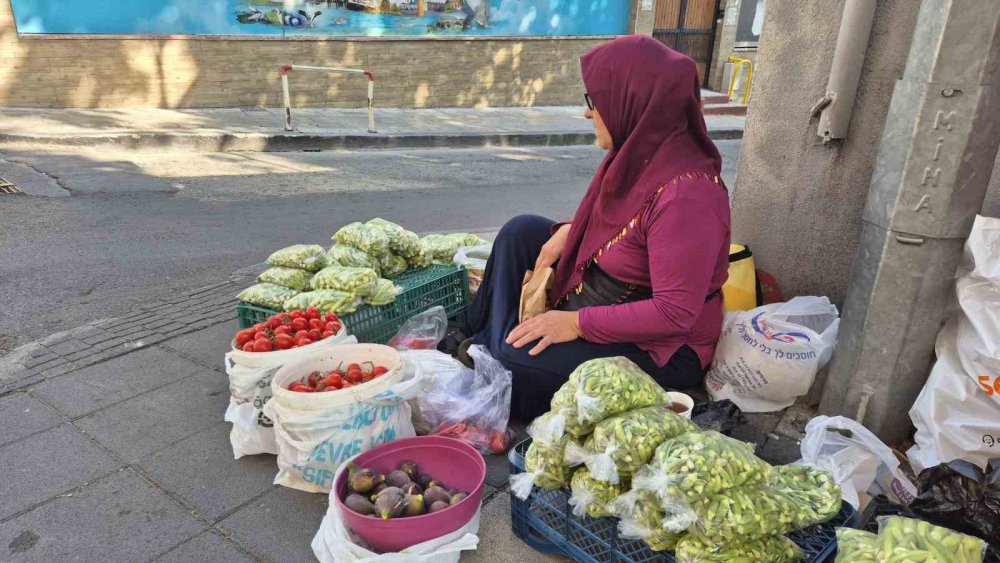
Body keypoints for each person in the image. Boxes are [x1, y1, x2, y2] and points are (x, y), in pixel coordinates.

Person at [464, 36, 731, 421]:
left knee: (514, 364)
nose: (589, 113)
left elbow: (674, 313)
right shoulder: (637, 157)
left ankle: (492, 347)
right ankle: (488, 338)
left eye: (595, 101)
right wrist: (572, 229)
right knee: (521, 231)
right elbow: (622, 225)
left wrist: (574, 323)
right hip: (603, 292)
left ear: (635, 103)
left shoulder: (687, 198)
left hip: (661, 345)